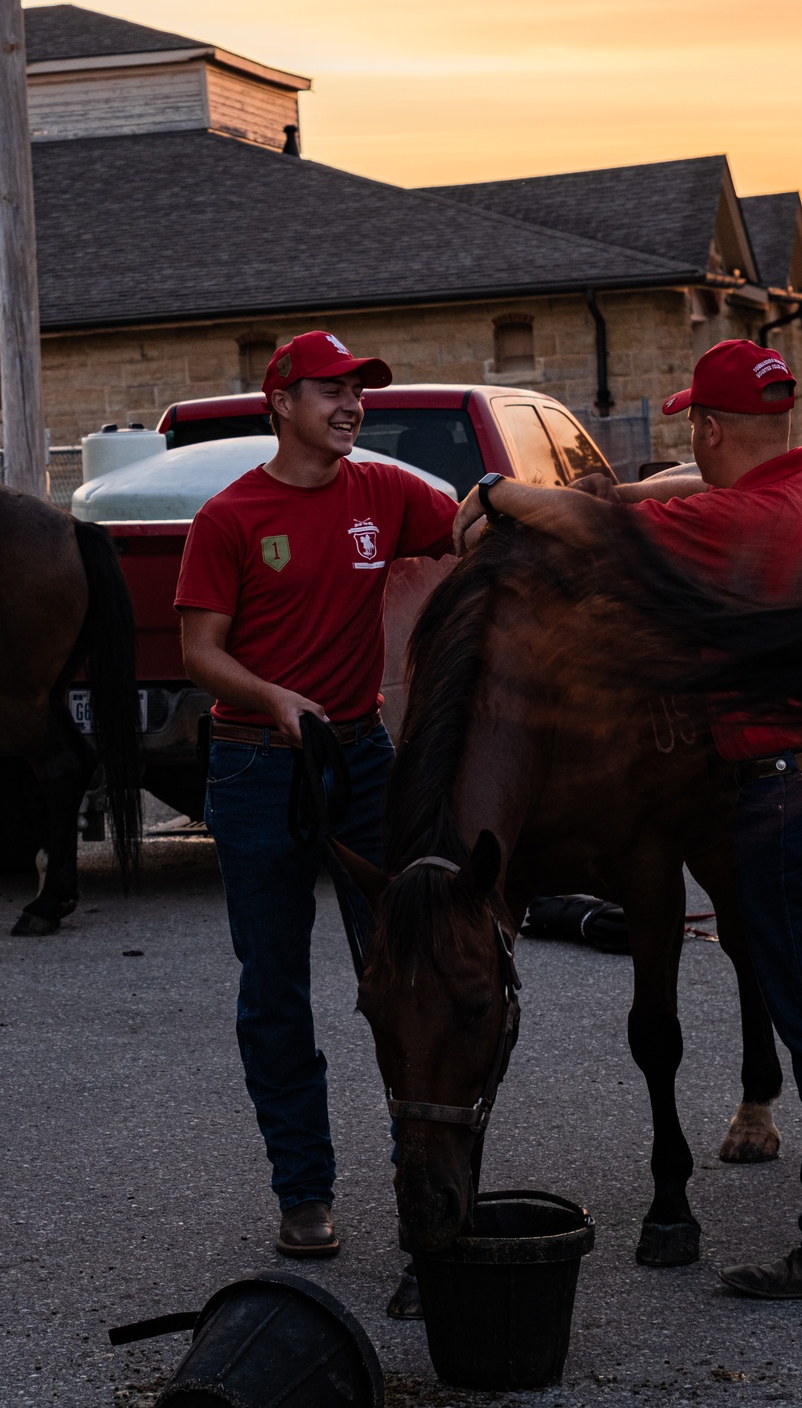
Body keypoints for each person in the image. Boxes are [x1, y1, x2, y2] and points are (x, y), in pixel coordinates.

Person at [454, 339, 802, 1300]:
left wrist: (499, 494)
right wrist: (633, 494)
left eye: (694, 432)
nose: (692, 451)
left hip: (796, 800)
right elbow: (666, 495)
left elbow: (584, 526)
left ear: (711, 428)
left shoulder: (724, 522)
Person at [175, 330, 455, 1259]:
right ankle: (304, 1192)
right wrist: (275, 698)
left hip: (362, 758)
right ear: (282, 403)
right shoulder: (230, 517)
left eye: (358, 392)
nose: (352, 406)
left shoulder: (384, 490)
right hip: (257, 766)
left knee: (403, 972)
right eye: (332, 391)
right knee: (276, 991)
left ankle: (418, 1181)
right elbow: (200, 652)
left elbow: (465, 524)